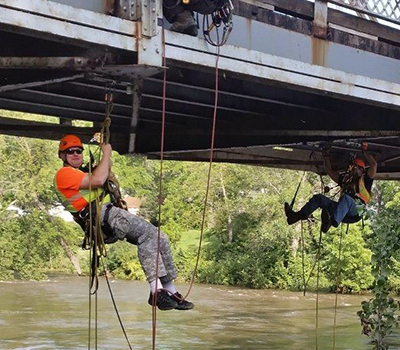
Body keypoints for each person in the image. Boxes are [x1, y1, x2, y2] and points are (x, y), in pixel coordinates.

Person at [54, 134, 194, 311]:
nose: (75, 154)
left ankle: (169, 289)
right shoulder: (64, 174)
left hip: (110, 215)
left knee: (160, 237)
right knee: (148, 234)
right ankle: (156, 291)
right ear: (62, 156)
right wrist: (106, 153)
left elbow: (102, 174)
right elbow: (98, 180)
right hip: (104, 216)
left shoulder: (81, 172)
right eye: (70, 152)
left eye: (78, 151)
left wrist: (104, 157)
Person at [284, 142, 377, 233]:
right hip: (342, 211)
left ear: (362, 171)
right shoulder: (345, 180)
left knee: (346, 199)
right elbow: (329, 171)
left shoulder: (366, 180)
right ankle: (296, 216)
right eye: (354, 167)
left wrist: (365, 150)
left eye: (358, 168)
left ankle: (331, 222)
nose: (355, 170)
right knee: (319, 198)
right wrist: (325, 155)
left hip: (356, 211)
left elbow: (373, 165)